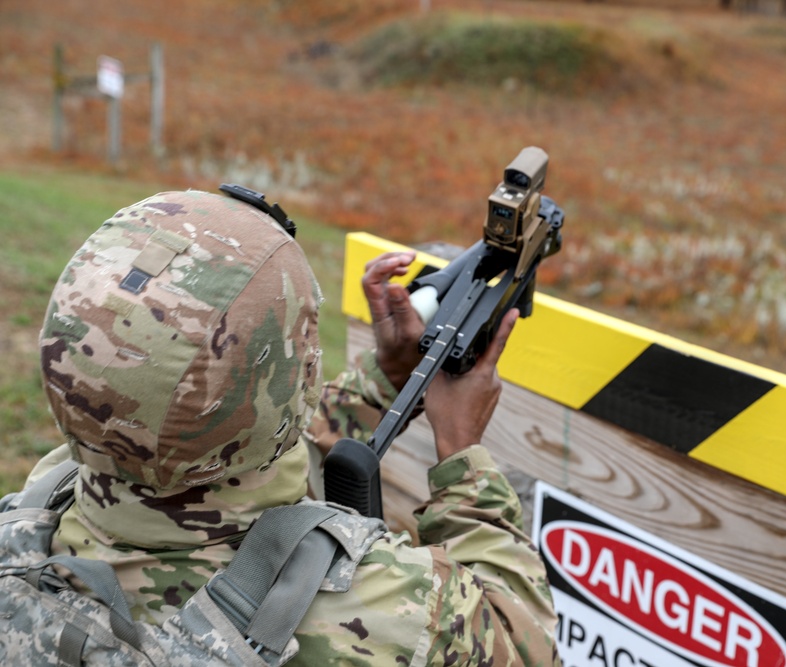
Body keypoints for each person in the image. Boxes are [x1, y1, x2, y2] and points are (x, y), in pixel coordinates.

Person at [19, 188, 561, 665]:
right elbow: (526, 643)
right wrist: (463, 456)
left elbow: (227, 458)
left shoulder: (44, 501)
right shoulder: (392, 611)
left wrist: (381, 382)